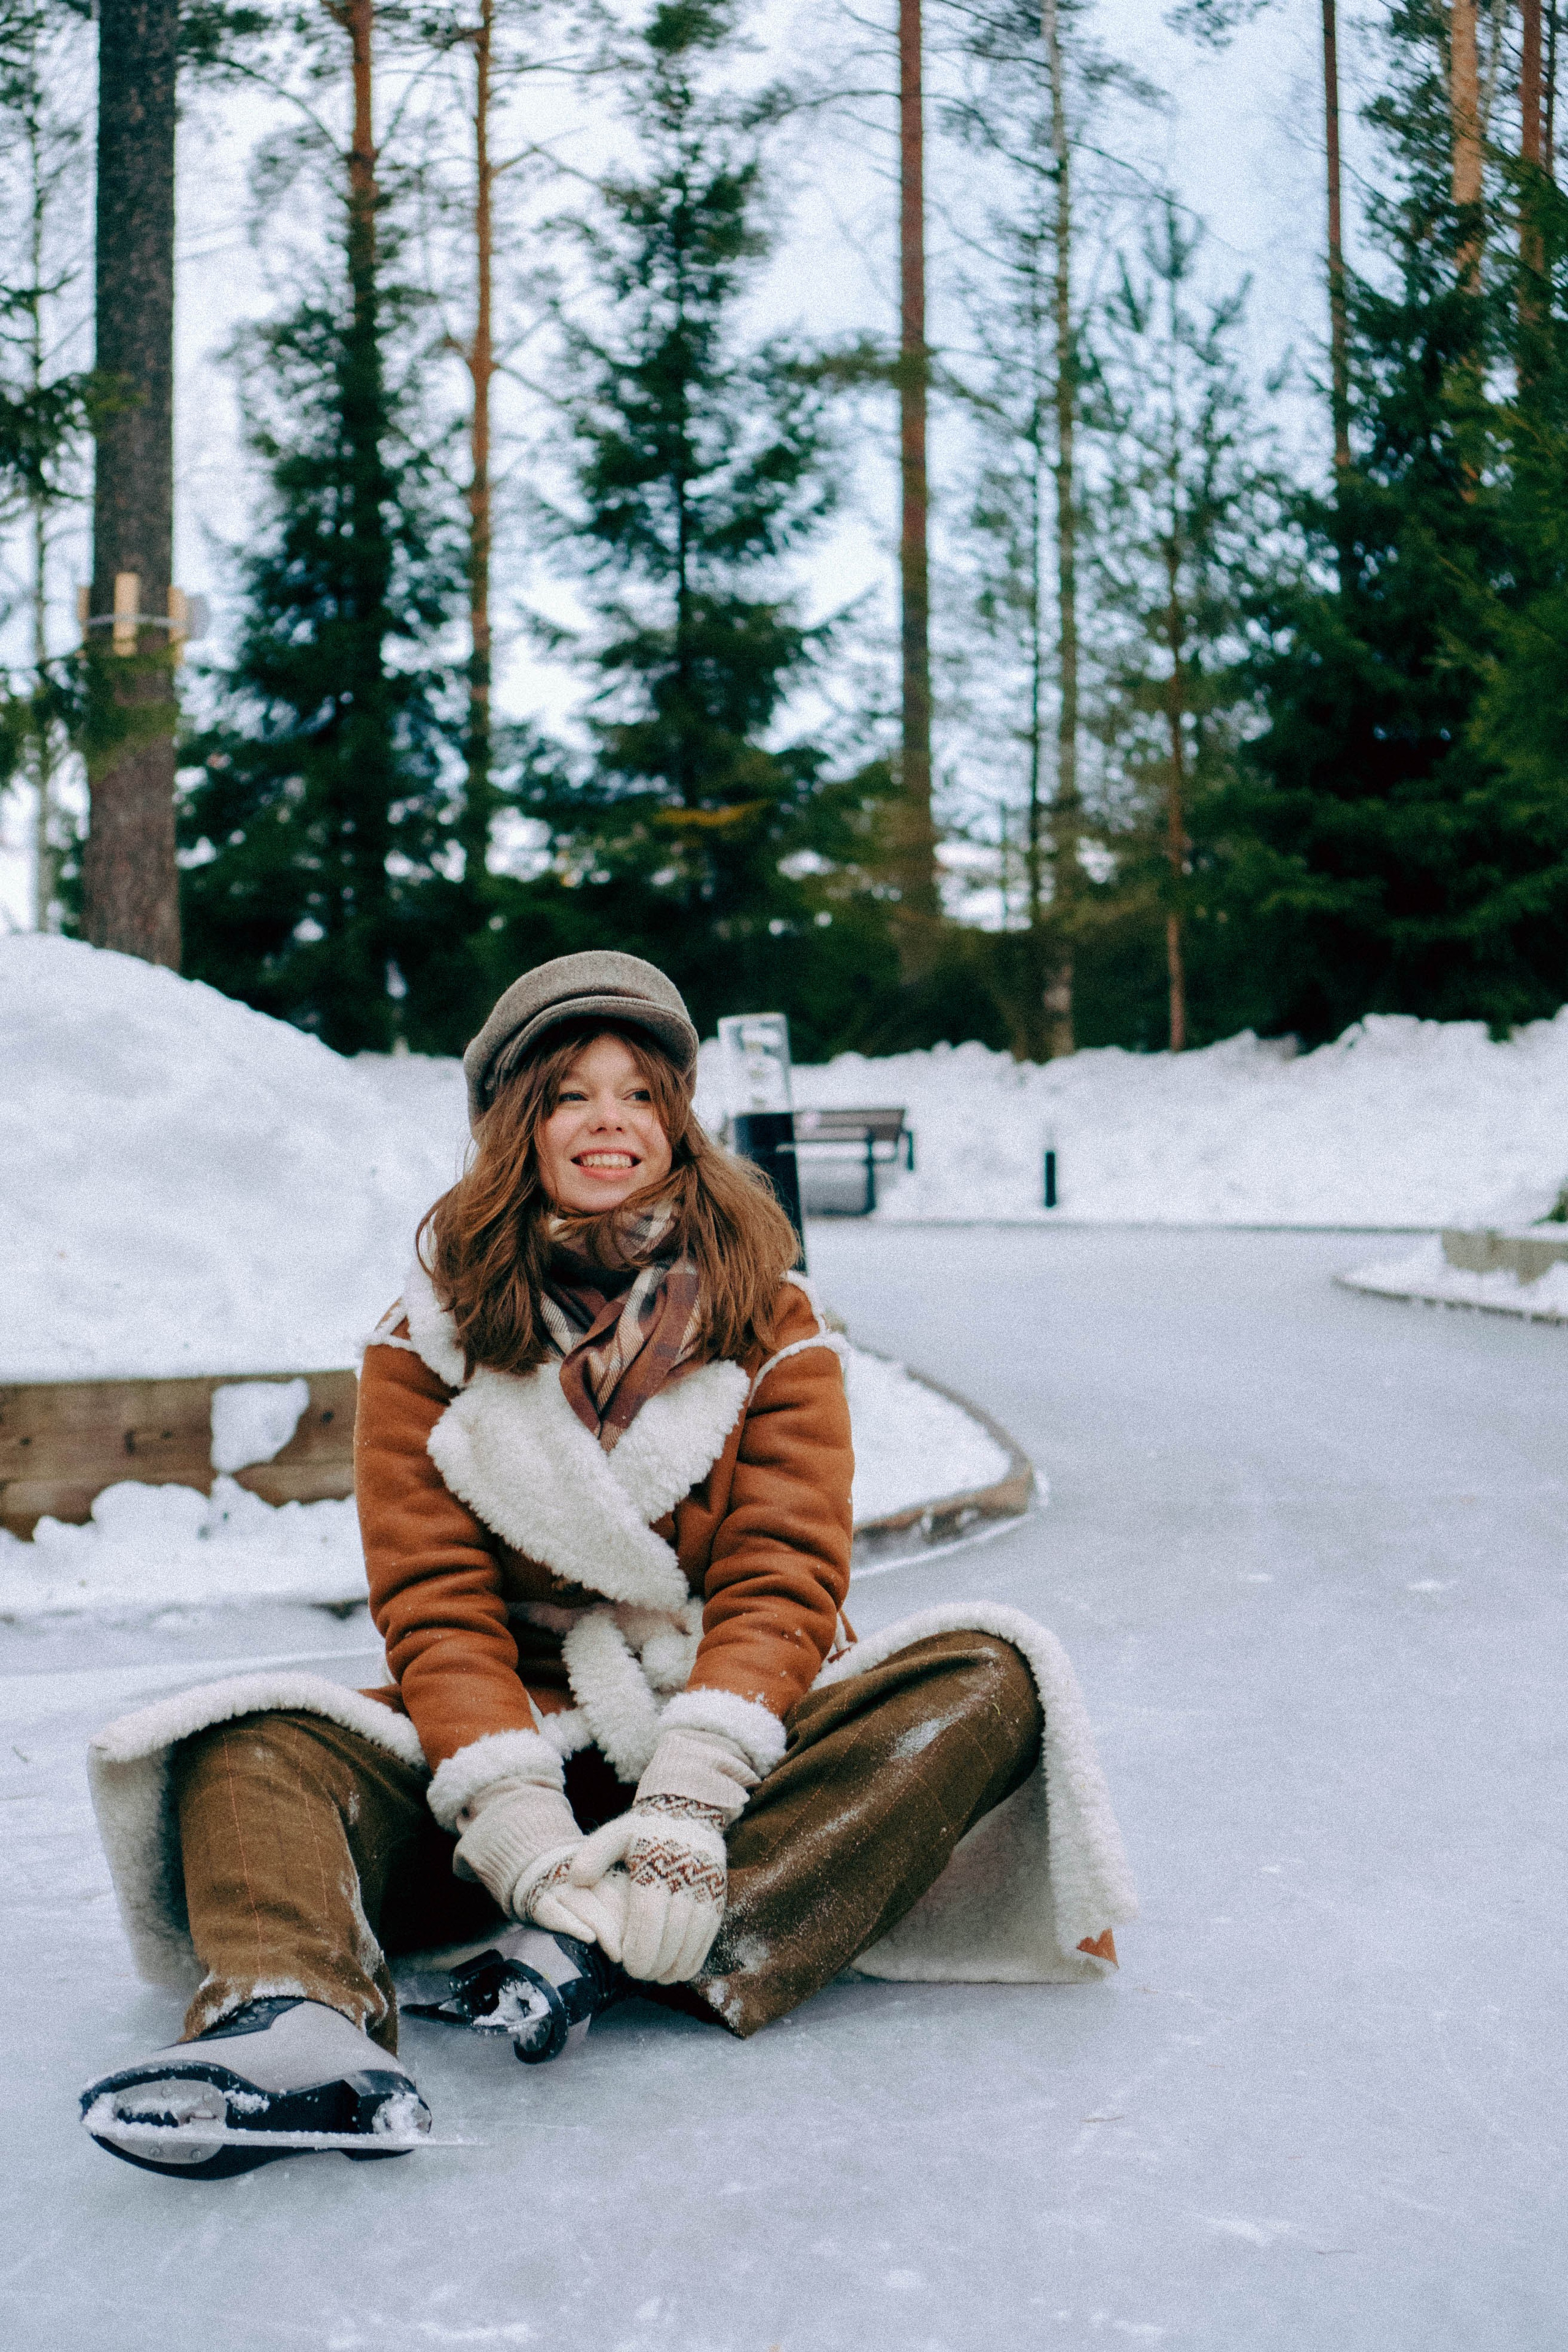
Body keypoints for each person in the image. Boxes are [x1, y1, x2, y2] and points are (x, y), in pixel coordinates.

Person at [80, 952, 1135, 2178]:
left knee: (994, 1672)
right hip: (517, 1750)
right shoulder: (422, 1338)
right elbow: (434, 1602)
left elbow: (784, 1573)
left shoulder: (768, 1315)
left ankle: (607, 1947)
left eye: (640, 1093)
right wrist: (513, 1816)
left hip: (726, 1763)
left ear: (677, 1119)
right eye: (572, 1092)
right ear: (514, 1123)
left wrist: (689, 1796)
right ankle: (297, 2024)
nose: (608, 1122)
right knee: (243, 1745)